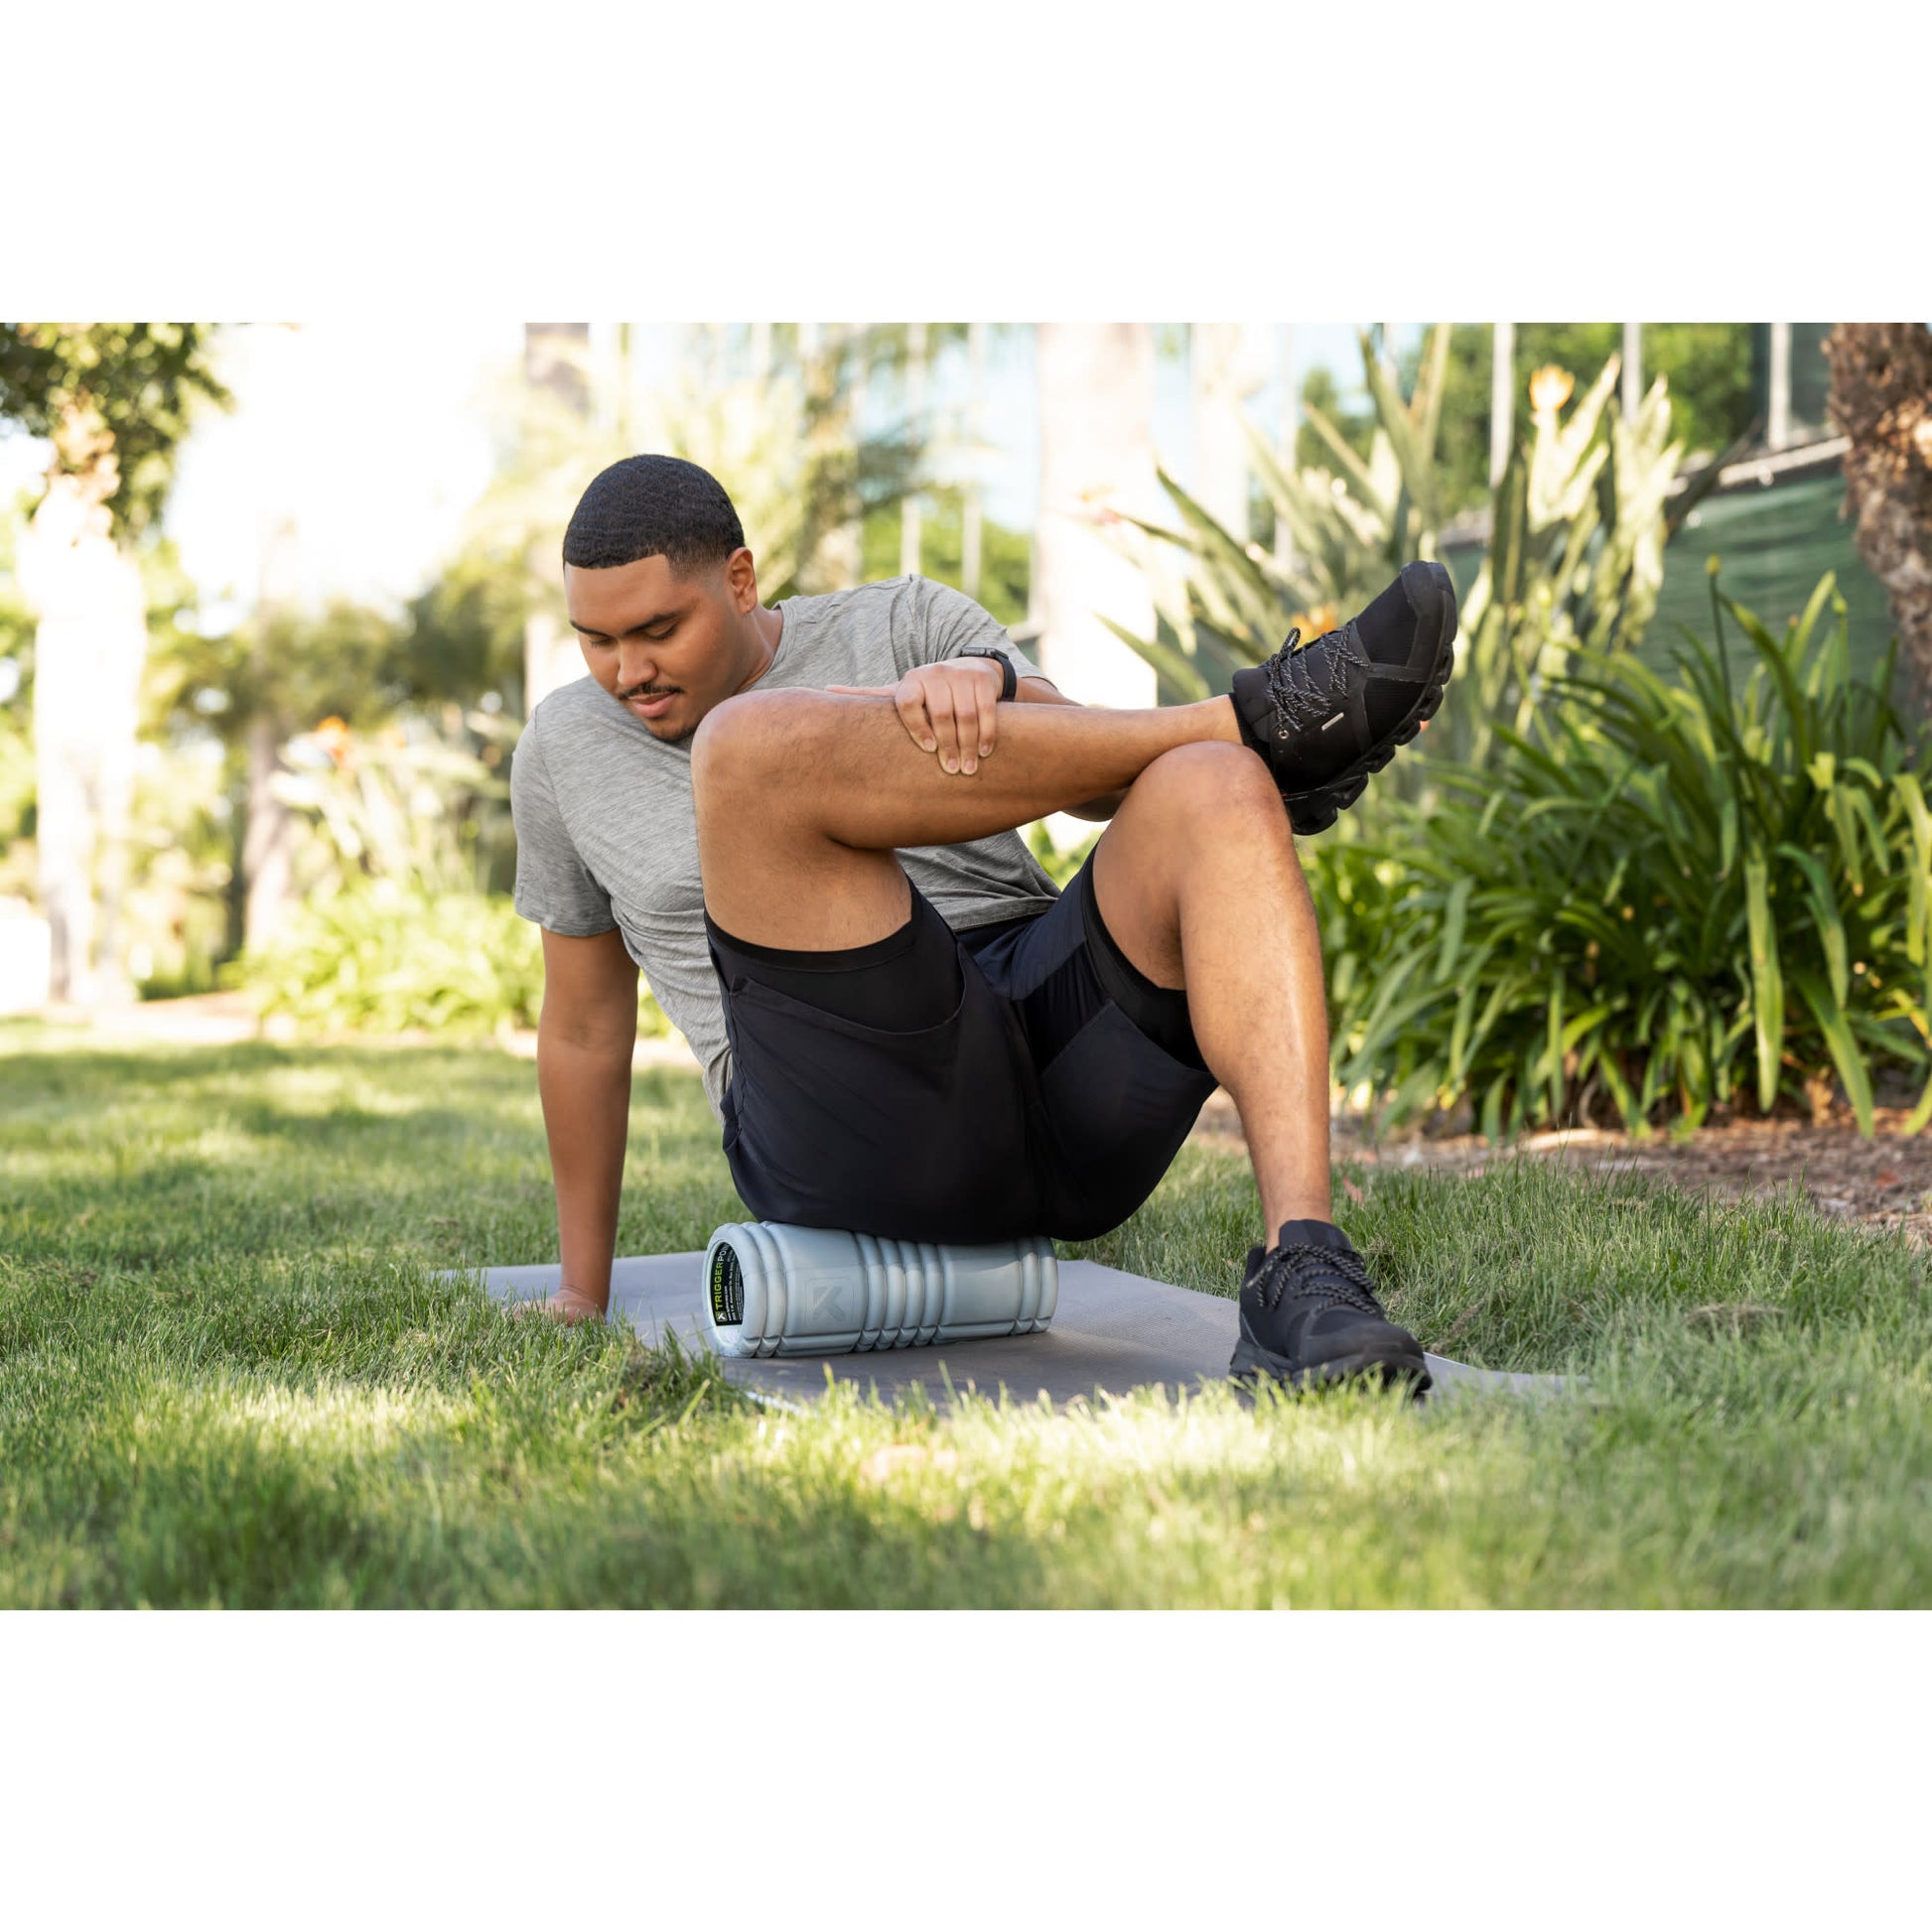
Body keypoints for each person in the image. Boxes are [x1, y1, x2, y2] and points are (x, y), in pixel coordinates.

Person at [509, 454, 1456, 1390]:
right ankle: (1257, 724)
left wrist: (995, 688)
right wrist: (581, 1292)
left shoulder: (905, 619)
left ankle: (1307, 1277)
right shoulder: (563, 748)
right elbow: (586, 1028)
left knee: (1213, 784)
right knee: (748, 747)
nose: (627, 671)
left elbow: (1099, 782)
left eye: (657, 630)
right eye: (596, 640)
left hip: (1058, 1081)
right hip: (844, 1127)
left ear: (741, 580)